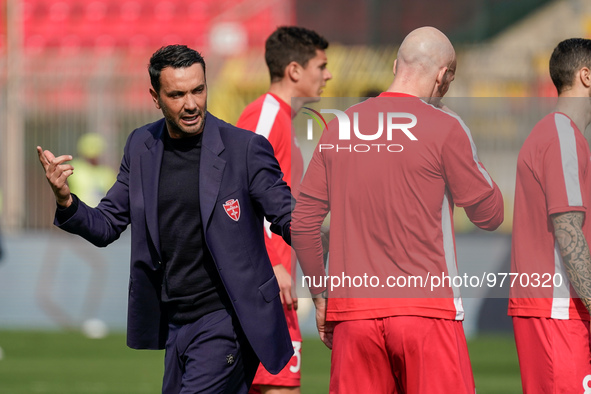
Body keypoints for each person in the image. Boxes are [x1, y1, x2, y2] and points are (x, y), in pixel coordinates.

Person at [37, 44, 294, 393]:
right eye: (177, 94)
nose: (191, 104)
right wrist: (66, 200)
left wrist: (334, 270)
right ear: (155, 97)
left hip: (228, 320)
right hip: (176, 323)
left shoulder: (244, 148)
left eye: (198, 90)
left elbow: (289, 217)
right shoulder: (142, 145)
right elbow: (108, 224)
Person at [292, 26, 504, 394]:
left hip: (353, 315)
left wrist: (321, 296)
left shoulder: (339, 128)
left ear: (395, 65)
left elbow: (304, 222)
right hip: (427, 314)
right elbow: (490, 215)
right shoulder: (447, 127)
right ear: (443, 76)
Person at [236, 26, 332, 394]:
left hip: (279, 284)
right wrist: (268, 264)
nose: (328, 75)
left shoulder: (284, 121)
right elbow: (236, 196)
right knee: (281, 388)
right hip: (266, 284)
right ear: (294, 70)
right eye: (320, 66)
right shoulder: (264, 116)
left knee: (277, 388)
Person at [508, 38, 591, 393]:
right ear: (586, 76)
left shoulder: (562, 135)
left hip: (556, 307)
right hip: (557, 306)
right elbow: (568, 231)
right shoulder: (562, 137)